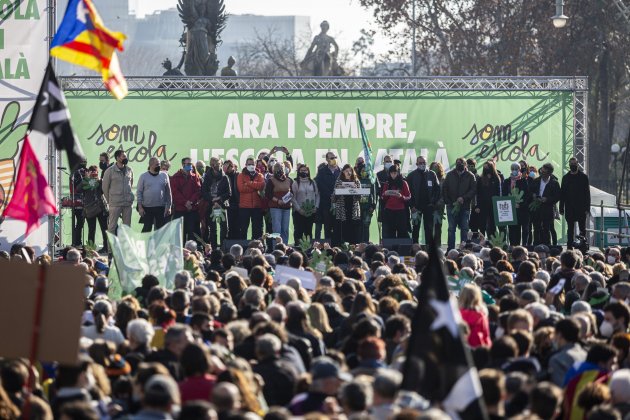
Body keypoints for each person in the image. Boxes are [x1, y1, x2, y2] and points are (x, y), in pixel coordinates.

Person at [442, 157, 477, 250]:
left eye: (461, 163)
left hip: (465, 206)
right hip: (451, 206)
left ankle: (463, 249)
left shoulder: (470, 176)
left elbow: (473, 190)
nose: (459, 164)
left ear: (465, 165)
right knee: (451, 229)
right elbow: (444, 188)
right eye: (457, 163)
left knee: (464, 229)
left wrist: (464, 198)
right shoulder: (449, 175)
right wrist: (448, 201)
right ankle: (451, 249)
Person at [406, 156, 440, 245]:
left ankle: (429, 249)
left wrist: (433, 203)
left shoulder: (432, 174)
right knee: (416, 228)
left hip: (429, 207)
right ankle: (414, 248)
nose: (422, 164)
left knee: (429, 229)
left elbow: (437, 190)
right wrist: (411, 206)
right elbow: (407, 192)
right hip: (416, 207)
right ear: (416, 164)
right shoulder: (411, 175)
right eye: (420, 163)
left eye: (424, 162)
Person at [560, 157, 591, 249]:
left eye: (574, 163)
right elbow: (562, 193)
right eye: (571, 164)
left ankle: (583, 246)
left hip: (581, 207)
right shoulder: (565, 178)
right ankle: (569, 246)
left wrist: (587, 208)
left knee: (582, 228)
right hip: (569, 207)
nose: (572, 165)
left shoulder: (583, 177)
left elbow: (587, 193)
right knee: (570, 228)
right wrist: (561, 207)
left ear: (578, 164)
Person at [170, 157, 202, 243]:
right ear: (183, 165)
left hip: (192, 209)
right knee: (181, 234)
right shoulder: (176, 177)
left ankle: (193, 254)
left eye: (191, 164)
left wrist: (190, 202)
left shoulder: (195, 177)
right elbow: (175, 193)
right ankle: (181, 252)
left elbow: (198, 191)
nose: (190, 166)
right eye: (188, 164)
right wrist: (185, 202)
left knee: (193, 232)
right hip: (180, 210)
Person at [102, 150, 134, 235]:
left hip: (127, 203)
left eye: (126, 156)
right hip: (115, 204)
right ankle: (111, 248)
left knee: (127, 228)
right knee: (112, 227)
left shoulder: (129, 170)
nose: (125, 158)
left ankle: (125, 248)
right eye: (123, 156)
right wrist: (110, 201)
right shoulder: (110, 171)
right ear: (117, 158)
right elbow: (105, 188)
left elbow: (130, 184)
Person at [136, 157, 172, 232]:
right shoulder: (143, 176)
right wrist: (140, 207)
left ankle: (158, 244)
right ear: (150, 165)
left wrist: (169, 206)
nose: (159, 166)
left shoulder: (164, 175)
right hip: (147, 208)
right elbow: (139, 192)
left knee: (160, 230)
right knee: (147, 229)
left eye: (159, 164)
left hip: (161, 207)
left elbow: (168, 192)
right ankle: (145, 243)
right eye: (156, 164)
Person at [202, 157, 231, 249]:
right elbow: (204, 192)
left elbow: (229, 193)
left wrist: (219, 199)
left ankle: (223, 247)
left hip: (221, 205)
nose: (219, 166)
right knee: (212, 229)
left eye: (219, 164)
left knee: (224, 228)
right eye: (216, 164)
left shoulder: (225, 177)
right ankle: (214, 249)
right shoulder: (207, 177)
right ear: (212, 165)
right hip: (211, 206)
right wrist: (212, 200)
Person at [502, 162, 531, 246]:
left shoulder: (523, 181)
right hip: (511, 210)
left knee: (525, 230)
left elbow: (527, 195)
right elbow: (504, 194)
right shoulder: (507, 181)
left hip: (523, 210)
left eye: (516, 169)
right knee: (513, 230)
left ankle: (525, 246)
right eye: (513, 169)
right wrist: (511, 204)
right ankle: (513, 247)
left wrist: (520, 204)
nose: (514, 170)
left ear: (519, 170)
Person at [532, 163, 561, 247]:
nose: (542, 173)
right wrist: (533, 195)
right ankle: (535, 246)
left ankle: (547, 246)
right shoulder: (536, 181)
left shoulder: (554, 183)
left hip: (548, 209)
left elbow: (557, 196)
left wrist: (547, 199)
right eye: (542, 171)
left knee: (546, 229)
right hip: (537, 208)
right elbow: (530, 191)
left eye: (544, 172)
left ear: (549, 173)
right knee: (536, 228)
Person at [331, 164, 361, 246]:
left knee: (353, 232)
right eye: (346, 171)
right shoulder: (339, 181)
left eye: (350, 171)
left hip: (353, 211)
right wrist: (339, 190)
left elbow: (360, 197)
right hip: (342, 211)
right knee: (342, 232)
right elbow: (333, 198)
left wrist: (356, 189)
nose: (348, 172)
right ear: (343, 172)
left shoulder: (356, 181)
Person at [237, 157, 266, 240]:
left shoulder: (260, 175)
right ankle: (243, 248)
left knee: (257, 230)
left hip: (257, 207)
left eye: (252, 164)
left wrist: (248, 183)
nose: (251, 165)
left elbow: (261, 185)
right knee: (243, 229)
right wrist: (255, 187)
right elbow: (241, 189)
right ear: (245, 165)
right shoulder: (240, 175)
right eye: (249, 164)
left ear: (255, 164)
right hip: (244, 207)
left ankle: (257, 248)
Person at [81, 165, 108, 253]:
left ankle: (106, 247)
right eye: (91, 171)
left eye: (95, 171)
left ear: (98, 172)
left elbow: (102, 189)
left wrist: (98, 180)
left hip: (101, 208)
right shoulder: (86, 181)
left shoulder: (100, 181)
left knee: (104, 229)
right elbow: (78, 189)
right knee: (91, 229)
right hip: (90, 209)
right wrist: (86, 179)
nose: (93, 173)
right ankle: (90, 249)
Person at [315, 152, 341, 241]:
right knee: (327, 226)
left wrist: (336, 196)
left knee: (338, 225)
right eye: (331, 158)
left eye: (334, 157)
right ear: (327, 159)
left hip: (339, 203)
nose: (333, 159)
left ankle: (337, 244)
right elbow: (320, 185)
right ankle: (328, 244)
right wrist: (330, 195)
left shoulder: (340, 171)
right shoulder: (322, 172)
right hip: (326, 203)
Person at [266, 162, 293, 245]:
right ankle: (276, 248)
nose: (280, 170)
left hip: (286, 208)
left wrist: (287, 199)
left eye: (281, 168)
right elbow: (268, 194)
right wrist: (277, 201)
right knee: (277, 230)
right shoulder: (271, 180)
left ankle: (285, 247)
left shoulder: (289, 180)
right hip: (275, 208)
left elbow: (292, 192)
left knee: (285, 229)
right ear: (274, 170)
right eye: (277, 168)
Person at [381, 165, 411, 239]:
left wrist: (401, 196)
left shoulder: (403, 183)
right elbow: (383, 197)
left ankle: (402, 249)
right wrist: (385, 194)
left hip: (400, 210)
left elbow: (408, 196)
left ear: (398, 173)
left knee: (402, 231)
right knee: (390, 231)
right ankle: (391, 249)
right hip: (389, 210)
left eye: (395, 173)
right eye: (391, 173)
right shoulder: (387, 183)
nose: (393, 175)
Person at [292, 164, 320, 244]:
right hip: (299, 212)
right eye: (302, 170)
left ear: (308, 171)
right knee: (299, 231)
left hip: (311, 211)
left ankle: (309, 250)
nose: (304, 172)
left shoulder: (313, 182)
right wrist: (299, 209)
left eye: (305, 170)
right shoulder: (295, 183)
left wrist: (316, 207)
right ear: (298, 172)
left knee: (308, 232)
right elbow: (292, 198)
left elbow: (317, 195)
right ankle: (298, 249)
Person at [474, 160, 501, 238]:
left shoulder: (496, 178)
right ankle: (482, 242)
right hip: (483, 205)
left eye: (487, 167)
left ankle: (492, 241)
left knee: (492, 225)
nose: (486, 169)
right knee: (482, 225)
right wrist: (477, 206)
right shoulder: (480, 178)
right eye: (484, 167)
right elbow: (478, 193)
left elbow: (498, 192)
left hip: (493, 205)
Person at [355, 157, 377, 243]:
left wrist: (373, 206)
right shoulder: (357, 181)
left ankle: (366, 243)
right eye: (362, 170)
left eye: (365, 170)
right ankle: (359, 243)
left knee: (366, 225)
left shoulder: (370, 181)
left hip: (368, 208)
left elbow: (374, 194)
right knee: (358, 226)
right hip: (359, 207)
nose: (364, 172)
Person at [430, 161, 446, 247]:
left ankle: (438, 246)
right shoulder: (428, 178)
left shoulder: (443, 180)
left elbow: (445, 194)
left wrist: (439, 203)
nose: (434, 169)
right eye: (433, 167)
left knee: (438, 227)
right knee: (429, 227)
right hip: (430, 206)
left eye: (436, 167)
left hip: (439, 207)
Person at [71, 161, 87, 247]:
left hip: (85, 202)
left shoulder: (84, 172)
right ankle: (77, 242)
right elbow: (78, 187)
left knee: (81, 223)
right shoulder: (76, 173)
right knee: (80, 223)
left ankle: (79, 242)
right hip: (78, 202)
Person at [223, 160, 240, 240]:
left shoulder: (238, 175)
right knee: (229, 226)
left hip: (238, 204)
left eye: (228, 166)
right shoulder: (223, 176)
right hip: (228, 204)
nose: (227, 169)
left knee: (238, 226)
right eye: (225, 167)